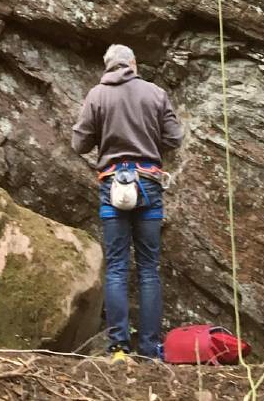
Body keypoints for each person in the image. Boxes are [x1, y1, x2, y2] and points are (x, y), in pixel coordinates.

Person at [72, 44, 183, 362]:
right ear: (133, 63)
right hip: (148, 182)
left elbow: (79, 143)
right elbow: (174, 138)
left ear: (108, 65)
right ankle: (149, 350)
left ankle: (119, 348)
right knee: (148, 268)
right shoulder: (155, 93)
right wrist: (148, 139)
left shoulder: (97, 95)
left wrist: (105, 134)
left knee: (117, 267)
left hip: (113, 185)